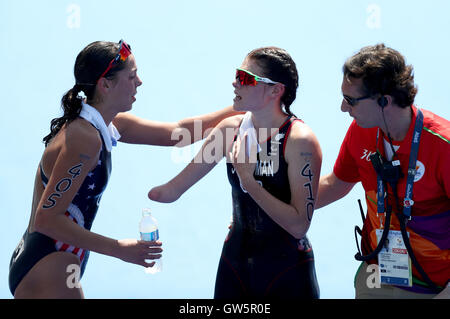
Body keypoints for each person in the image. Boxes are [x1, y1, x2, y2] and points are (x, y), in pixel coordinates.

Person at [8, 40, 240, 298]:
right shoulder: (84, 138)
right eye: (131, 76)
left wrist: (245, 106)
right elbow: (46, 219)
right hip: (48, 265)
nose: (139, 82)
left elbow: (179, 134)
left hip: (49, 261)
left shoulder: (107, 125)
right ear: (105, 85)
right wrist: (119, 249)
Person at [149, 47, 322, 298]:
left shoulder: (300, 141)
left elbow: (298, 226)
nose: (235, 82)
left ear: (276, 90)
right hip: (236, 264)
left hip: (286, 271)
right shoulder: (229, 131)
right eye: (237, 74)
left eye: (245, 78)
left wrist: (249, 182)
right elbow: (174, 189)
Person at [317, 43, 450, 299]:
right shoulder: (362, 129)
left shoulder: (442, 146)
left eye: (350, 100)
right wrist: (273, 208)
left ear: (384, 100)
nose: (343, 108)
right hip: (376, 277)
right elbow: (335, 184)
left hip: (434, 287)